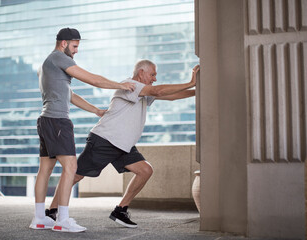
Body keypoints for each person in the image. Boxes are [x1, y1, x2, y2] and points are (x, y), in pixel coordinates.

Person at [47, 59, 200, 228]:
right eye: (152, 74)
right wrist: (190, 82)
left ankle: (120, 210)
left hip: (123, 145)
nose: (154, 78)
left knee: (145, 170)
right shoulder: (130, 85)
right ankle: (52, 211)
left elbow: (169, 96)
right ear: (141, 73)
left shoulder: (143, 91)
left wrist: (196, 91)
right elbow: (159, 90)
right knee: (75, 175)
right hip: (105, 140)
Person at [29, 27, 136, 233]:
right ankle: (63, 220)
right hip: (58, 122)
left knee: (45, 170)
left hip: (46, 120)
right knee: (71, 167)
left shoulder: (47, 65)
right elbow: (93, 79)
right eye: (75, 46)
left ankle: (39, 218)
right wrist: (122, 86)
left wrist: (95, 110)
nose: (76, 50)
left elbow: (70, 94)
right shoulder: (59, 58)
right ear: (64, 43)